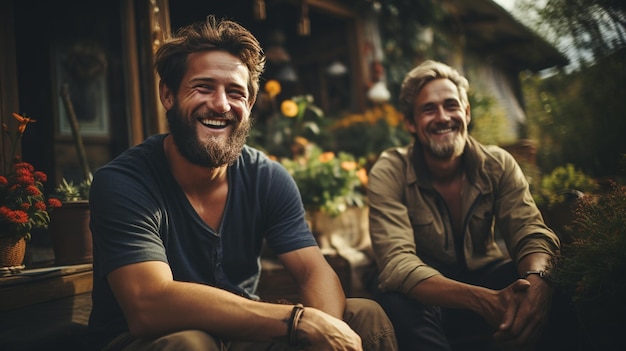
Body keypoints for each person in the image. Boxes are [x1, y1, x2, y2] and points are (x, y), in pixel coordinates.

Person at [87, 15, 397, 351]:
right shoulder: (123, 182)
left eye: (235, 92)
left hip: (235, 336)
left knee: (366, 315)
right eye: (203, 87)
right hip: (146, 339)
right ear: (168, 94)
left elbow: (312, 271)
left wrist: (322, 329)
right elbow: (149, 304)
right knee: (193, 343)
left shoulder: (266, 177)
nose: (221, 105)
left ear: (249, 105)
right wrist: (298, 321)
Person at [367, 60, 577, 350]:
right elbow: (396, 265)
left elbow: (530, 232)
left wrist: (539, 280)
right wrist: (482, 300)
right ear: (410, 123)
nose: (442, 117)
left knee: (554, 285)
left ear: (466, 112)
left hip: (490, 278)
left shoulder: (498, 164)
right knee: (394, 302)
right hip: (431, 298)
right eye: (429, 109)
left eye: (451, 105)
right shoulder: (390, 171)